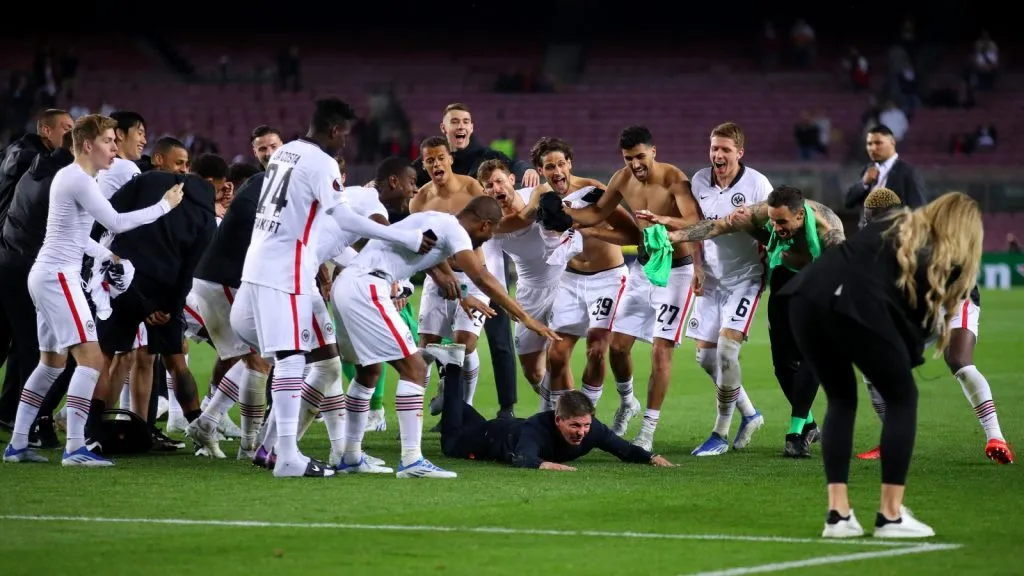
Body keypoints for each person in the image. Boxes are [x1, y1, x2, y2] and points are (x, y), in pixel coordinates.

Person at [229, 98, 433, 478]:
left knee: (323, 363)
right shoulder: (323, 164)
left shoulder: (284, 153)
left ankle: (279, 449)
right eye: (345, 134)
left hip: (258, 266)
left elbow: (328, 231)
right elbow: (344, 218)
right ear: (336, 129)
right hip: (287, 271)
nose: (345, 142)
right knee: (292, 360)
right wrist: (402, 238)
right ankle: (287, 455)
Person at [782, 192, 984, 539]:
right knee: (902, 397)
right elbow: (914, 317)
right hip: (853, 303)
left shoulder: (895, 222)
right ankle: (890, 516)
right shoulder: (936, 249)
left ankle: (838, 516)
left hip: (806, 298)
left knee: (841, 400)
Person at [332, 195, 559, 478]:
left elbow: (433, 265)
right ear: (485, 225)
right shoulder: (455, 231)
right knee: (414, 368)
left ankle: (350, 456)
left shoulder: (433, 221)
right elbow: (482, 277)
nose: (484, 243)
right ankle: (412, 461)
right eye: (488, 235)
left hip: (346, 285)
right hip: (369, 287)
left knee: (368, 371)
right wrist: (526, 318)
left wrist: (463, 296)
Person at [2, 114, 183, 466]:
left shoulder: (75, 177)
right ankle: (75, 447)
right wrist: (165, 206)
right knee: (94, 359)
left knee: (51, 364)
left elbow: (75, 233)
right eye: (109, 141)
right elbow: (115, 221)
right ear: (88, 145)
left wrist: (104, 252)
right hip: (59, 278)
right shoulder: (79, 179)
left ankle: (18, 443)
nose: (115, 148)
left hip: (47, 274)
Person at [564, 126, 704, 451]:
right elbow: (599, 211)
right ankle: (628, 402)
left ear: (653, 151)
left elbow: (695, 222)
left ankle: (647, 431)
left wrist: (663, 221)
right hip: (642, 268)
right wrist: (566, 214)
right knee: (617, 347)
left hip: (677, 272)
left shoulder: (674, 179)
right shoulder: (622, 178)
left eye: (640, 156)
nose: (635, 164)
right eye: (629, 158)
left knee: (660, 351)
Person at [854, 188, 1014, 465]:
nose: (872, 226)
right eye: (868, 220)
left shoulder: (926, 231)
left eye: (877, 219)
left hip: (954, 299)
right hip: (919, 308)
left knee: (959, 361)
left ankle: (996, 437)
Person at [643, 122, 769, 456]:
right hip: (712, 279)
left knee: (727, 352)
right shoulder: (699, 181)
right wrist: (697, 265)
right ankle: (750, 414)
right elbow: (698, 227)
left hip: (747, 277)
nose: (718, 154)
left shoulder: (757, 184)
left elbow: (772, 229)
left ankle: (720, 433)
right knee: (706, 357)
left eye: (725, 149)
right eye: (714, 148)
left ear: (739, 152)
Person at [412, 103, 539, 417]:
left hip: (483, 263)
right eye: (454, 121)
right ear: (444, 129)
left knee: (495, 339)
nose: (461, 126)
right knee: (429, 347)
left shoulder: (481, 165)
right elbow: (401, 187)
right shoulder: (422, 185)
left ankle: (504, 407)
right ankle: (439, 401)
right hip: (441, 270)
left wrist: (528, 174)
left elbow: (513, 170)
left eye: (466, 121)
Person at [92, 154, 223, 449]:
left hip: (123, 281)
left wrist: (96, 255)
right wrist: (169, 309)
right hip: (165, 292)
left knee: (107, 356)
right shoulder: (205, 218)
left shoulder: (148, 180)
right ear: (213, 184)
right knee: (176, 362)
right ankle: (199, 432)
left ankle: (92, 431)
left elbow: (107, 216)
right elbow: (189, 272)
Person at [504, 137, 636, 414]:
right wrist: (479, 227)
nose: (557, 171)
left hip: (608, 277)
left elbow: (632, 234)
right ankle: (558, 418)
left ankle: (589, 417)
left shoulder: (593, 191)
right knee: (557, 354)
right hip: (571, 278)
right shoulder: (542, 196)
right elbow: (519, 219)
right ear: (541, 170)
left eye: (561, 164)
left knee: (597, 350)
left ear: (570, 164)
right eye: (549, 166)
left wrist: (589, 230)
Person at [714, 186, 846, 457]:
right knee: (783, 367)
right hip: (784, 284)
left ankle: (795, 433)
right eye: (772, 220)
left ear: (800, 215)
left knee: (811, 357)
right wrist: (674, 234)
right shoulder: (771, 214)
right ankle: (809, 424)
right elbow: (749, 231)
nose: (775, 226)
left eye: (781, 221)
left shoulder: (828, 230)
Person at [431, 343, 675, 470]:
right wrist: (545, 464)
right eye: (575, 425)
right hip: (484, 440)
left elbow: (624, 450)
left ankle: (451, 401)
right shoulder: (536, 429)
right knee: (450, 447)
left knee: (471, 419)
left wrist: (652, 458)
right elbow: (522, 458)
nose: (582, 431)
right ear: (558, 420)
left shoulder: (593, 430)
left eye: (586, 425)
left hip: (501, 429)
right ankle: (451, 367)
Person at [409, 137, 496, 421]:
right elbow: (424, 248)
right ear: (424, 165)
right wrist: (445, 277)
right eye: (430, 160)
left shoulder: (473, 189)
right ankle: (414, 416)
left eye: (441, 158)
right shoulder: (419, 200)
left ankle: (461, 408)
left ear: (451, 159)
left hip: (472, 273)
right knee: (425, 349)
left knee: (464, 345)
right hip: (439, 276)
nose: (436, 164)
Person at [0, 129, 75, 448]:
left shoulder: (35, 170)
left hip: (13, 263)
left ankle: (15, 416)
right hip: (30, 268)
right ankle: (32, 424)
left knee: (27, 347)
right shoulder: (64, 180)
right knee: (46, 351)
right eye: (107, 142)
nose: (111, 149)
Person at [477, 159, 564, 404]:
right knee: (533, 372)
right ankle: (560, 406)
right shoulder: (492, 227)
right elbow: (492, 268)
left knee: (558, 355)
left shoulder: (535, 195)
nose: (496, 188)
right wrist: (506, 302)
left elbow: (550, 191)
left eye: (499, 181)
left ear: (511, 180)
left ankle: (562, 416)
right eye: (489, 186)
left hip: (562, 282)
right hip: (529, 291)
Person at [845, 124, 928, 228]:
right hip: (866, 236)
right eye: (869, 144)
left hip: (893, 237)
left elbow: (919, 210)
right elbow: (848, 202)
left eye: (878, 143)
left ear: (892, 142)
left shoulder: (908, 172)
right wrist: (864, 183)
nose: (872, 148)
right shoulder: (868, 170)